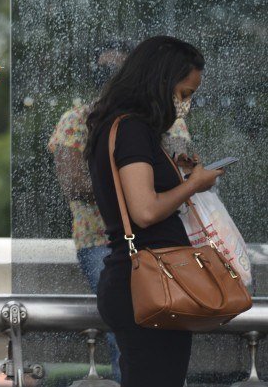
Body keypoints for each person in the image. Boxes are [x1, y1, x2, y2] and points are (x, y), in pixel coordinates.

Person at [86, 36, 222, 387]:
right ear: (161, 82)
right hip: (147, 281)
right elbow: (144, 211)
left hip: (147, 280)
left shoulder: (125, 128)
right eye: (184, 93)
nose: (185, 104)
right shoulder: (130, 129)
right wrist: (194, 184)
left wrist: (181, 173)